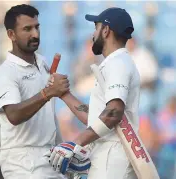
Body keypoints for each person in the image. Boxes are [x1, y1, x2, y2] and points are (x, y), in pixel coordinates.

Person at [49, 7, 140, 179]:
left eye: (96, 28)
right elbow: (99, 117)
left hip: (112, 160)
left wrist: (76, 142)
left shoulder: (118, 63)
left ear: (105, 30)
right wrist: (63, 94)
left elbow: (113, 113)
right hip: (107, 158)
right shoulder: (114, 62)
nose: (93, 34)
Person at [0, 4, 70, 179]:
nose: (35, 34)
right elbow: (13, 115)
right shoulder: (5, 72)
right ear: (11, 34)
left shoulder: (42, 62)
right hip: (23, 163)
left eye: (37, 27)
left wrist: (62, 147)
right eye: (27, 29)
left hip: (49, 157)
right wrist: (47, 93)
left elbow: (48, 113)